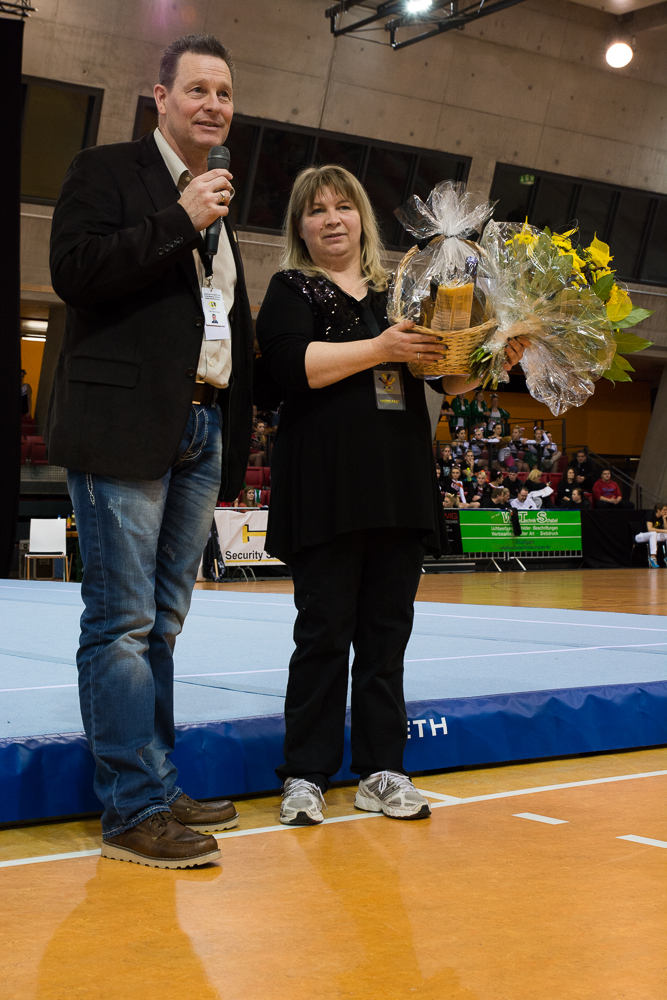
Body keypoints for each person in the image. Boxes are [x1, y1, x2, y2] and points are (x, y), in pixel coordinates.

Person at [255, 164, 527, 826]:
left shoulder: (402, 289)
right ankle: (305, 774)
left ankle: (382, 770)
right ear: (299, 227)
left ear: (362, 218)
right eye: (316, 210)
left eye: (342, 206)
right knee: (323, 635)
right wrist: (380, 347)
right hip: (324, 485)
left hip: (396, 484)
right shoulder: (290, 288)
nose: (331, 219)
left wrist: (493, 358)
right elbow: (290, 369)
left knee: (385, 637)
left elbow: (444, 377)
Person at [45, 34, 255, 868]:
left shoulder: (218, 200)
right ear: (159, 97)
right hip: (123, 425)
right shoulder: (106, 172)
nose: (213, 105)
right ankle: (132, 809)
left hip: (200, 425)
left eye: (225, 94)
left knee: (162, 624)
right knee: (123, 622)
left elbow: (219, 322)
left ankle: (158, 786)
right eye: (198, 89)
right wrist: (179, 218)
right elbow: (74, 272)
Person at [634, 502, 667, 568]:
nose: (666, 511)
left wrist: (664, 519)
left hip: (652, 536)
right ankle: (653, 558)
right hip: (640, 535)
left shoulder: (662, 517)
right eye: (664, 510)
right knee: (653, 533)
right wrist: (664, 531)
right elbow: (650, 529)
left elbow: (666, 529)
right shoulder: (651, 514)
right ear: (658, 510)